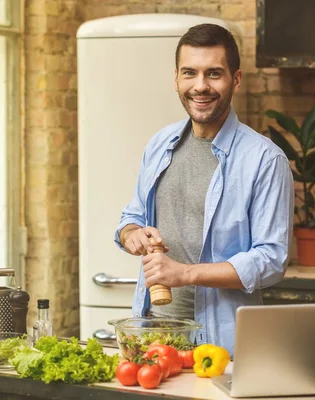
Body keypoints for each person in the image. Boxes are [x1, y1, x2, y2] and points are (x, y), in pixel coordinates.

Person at [114, 23, 294, 355]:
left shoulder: (265, 160)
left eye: (213, 74)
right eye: (189, 73)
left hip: (220, 346)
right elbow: (132, 215)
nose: (200, 86)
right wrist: (132, 233)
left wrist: (184, 274)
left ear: (235, 79)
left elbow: (271, 260)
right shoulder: (160, 144)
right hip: (154, 335)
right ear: (176, 79)